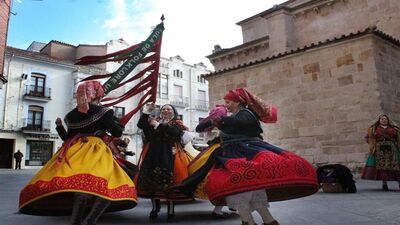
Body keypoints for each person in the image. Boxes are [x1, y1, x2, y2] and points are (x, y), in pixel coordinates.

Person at [19, 81, 137, 225]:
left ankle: (76, 221)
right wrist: (115, 122)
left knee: (80, 186)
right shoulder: (102, 111)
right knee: (110, 185)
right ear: (95, 94)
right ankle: (89, 221)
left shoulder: (70, 115)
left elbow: (67, 138)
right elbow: (117, 132)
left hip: (74, 151)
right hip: (95, 150)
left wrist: (59, 127)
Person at [203, 88, 318, 225]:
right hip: (238, 152)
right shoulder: (237, 116)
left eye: (228, 102)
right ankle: (268, 221)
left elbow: (240, 122)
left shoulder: (246, 113)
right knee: (252, 188)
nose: (226, 105)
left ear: (237, 102)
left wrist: (220, 120)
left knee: (241, 186)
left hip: (243, 153)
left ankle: (249, 222)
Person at [170, 105, 234, 219]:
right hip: (221, 151)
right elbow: (200, 128)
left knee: (226, 178)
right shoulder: (220, 122)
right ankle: (226, 206)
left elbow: (200, 128)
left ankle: (231, 204)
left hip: (221, 150)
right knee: (224, 178)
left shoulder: (219, 122)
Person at [135, 103, 191, 221]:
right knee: (151, 183)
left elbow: (174, 132)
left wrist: (158, 125)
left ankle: (171, 211)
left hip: (169, 155)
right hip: (153, 155)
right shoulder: (154, 120)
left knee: (171, 184)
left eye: (169, 109)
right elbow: (141, 125)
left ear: (174, 112)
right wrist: (146, 112)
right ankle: (155, 208)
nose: (166, 110)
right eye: (163, 109)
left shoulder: (177, 123)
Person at [361, 114, 400, 190]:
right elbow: (367, 138)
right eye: (382, 119)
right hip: (379, 150)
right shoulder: (373, 129)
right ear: (379, 120)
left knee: (396, 166)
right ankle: (384, 184)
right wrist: (372, 144)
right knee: (382, 167)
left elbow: (398, 138)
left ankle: (399, 182)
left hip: (392, 149)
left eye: (385, 119)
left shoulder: (394, 129)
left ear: (388, 120)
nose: (384, 120)